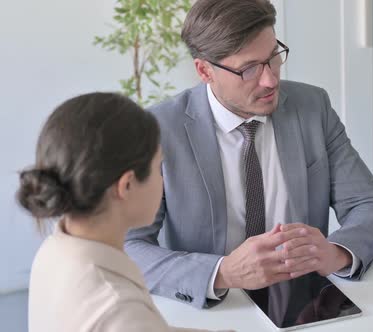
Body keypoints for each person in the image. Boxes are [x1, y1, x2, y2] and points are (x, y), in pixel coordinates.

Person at [125, 0, 373, 309]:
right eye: (249, 69)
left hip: (303, 303)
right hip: (214, 305)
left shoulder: (312, 107)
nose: (270, 80)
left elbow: (369, 205)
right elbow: (127, 245)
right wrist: (223, 272)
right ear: (204, 71)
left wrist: (337, 252)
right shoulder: (159, 129)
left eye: (273, 58)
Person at [19, 93, 231, 332]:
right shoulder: (116, 305)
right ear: (126, 185)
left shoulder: (55, 247)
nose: (163, 179)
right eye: (157, 167)